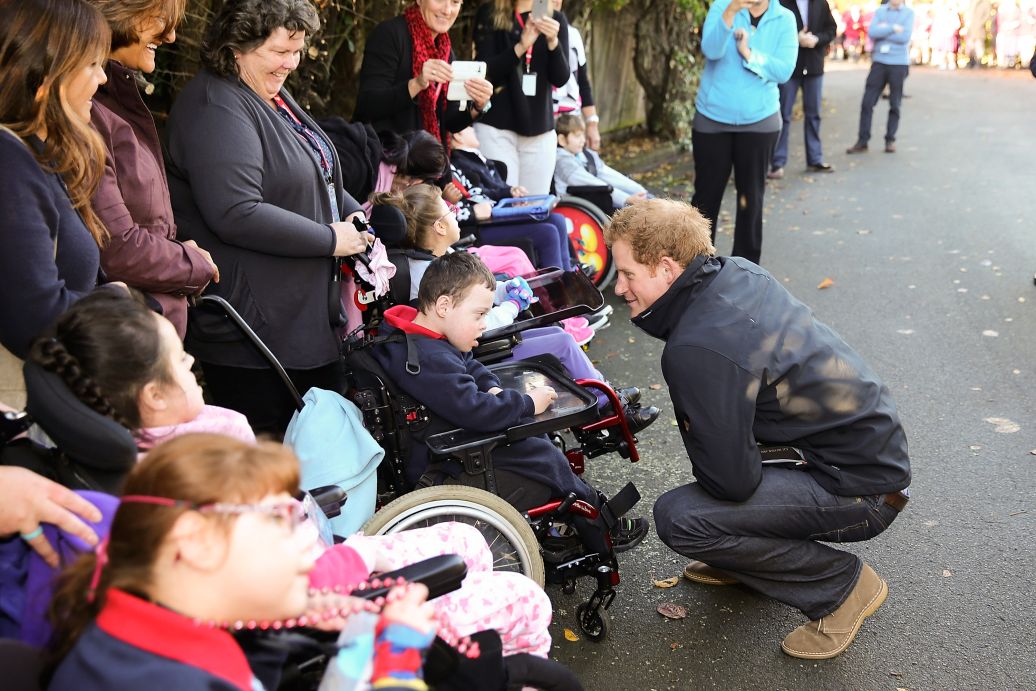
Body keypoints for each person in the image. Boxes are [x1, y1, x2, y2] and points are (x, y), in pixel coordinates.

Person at [28, 288, 557, 661]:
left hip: (317, 556)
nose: (192, 363)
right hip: (315, 605)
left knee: (468, 539)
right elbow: (270, 586)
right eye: (179, 360)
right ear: (154, 396)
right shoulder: (189, 470)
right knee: (524, 597)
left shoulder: (175, 440)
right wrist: (351, 563)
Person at [605, 199, 911, 660]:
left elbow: (731, 480)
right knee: (715, 501)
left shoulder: (695, 347)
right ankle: (747, 560)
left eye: (627, 273)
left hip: (861, 491)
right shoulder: (736, 273)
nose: (619, 287)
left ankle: (842, 588)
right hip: (867, 451)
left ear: (667, 268)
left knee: (682, 517)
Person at [46, 434, 438, 689]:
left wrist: (266, 620)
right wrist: (398, 661)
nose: (306, 548)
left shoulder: (130, 641)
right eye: (280, 519)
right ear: (197, 541)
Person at [165, 0, 372, 436]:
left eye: (297, 51)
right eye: (280, 52)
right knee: (274, 465)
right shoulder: (215, 106)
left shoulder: (266, 92)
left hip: (300, 321)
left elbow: (316, 171)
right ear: (236, 47)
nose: (291, 64)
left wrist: (357, 214)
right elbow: (236, 211)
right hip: (255, 334)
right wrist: (329, 239)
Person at [370, 252, 649, 550]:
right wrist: (527, 403)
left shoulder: (421, 332)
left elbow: (470, 364)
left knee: (536, 436)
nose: (483, 324)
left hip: (445, 433)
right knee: (544, 455)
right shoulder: (429, 359)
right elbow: (475, 411)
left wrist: (493, 389)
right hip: (445, 459)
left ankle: (573, 518)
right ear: (443, 305)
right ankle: (598, 526)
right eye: (478, 315)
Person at [371, 185, 658, 430]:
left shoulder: (436, 259)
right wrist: (510, 306)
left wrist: (507, 289)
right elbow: (475, 321)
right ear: (439, 226)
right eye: (449, 210)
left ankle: (604, 396)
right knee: (560, 341)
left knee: (554, 333)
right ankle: (608, 407)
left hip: (467, 346)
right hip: (472, 348)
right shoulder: (427, 272)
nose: (455, 211)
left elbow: (475, 298)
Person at [86, 0, 219, 340]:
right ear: (116, 13)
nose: (171, 37)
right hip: (126, 341)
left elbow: (143, 226)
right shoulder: (91, 113)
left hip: (149, 332)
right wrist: (192, 262)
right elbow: (115, 249)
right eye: (160, 19)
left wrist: (176, 252)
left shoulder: (117, 101)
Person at [0, 0, 110, 407]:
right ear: (46, 74)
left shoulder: (36, 156)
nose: (102, 78)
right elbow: (32, 317)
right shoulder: (8, 162)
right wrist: (121, 305)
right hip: (22, 418)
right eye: (92, 64)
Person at [690, 0, 797, 265]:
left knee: (751, 197)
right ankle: (694, 267)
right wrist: (730, 12)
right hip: (712, 118)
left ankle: (744, 271)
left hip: (760, 121)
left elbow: (783, 70)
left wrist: (749, 53)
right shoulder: (722, 7)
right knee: (705, 196)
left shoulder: (784, 18)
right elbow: (711, 50)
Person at [353, 0, 493, 149]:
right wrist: (416, 84)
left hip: (425, 162)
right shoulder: (389, 34)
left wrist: (478, 106)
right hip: (385, 155)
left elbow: (450, 121)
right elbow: (367, 106)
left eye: (455, 2)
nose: (447, 10)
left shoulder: (445, 50)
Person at [447, 126, 577, 274]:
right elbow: (479, 195)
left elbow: (494, 189)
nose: (473, 128)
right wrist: (506, 194)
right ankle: (558, 288)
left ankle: (568, 277)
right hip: (478, 227)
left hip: (493, 216)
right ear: (457, 135)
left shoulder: (475, 158)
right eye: (468, 127)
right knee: (547, 232)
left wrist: (510, 193)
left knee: (557, 219)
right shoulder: (459, 163)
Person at [474, 0, 571, 194]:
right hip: (496, 129)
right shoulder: (490, 14)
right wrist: (521, 46)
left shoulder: (556, 18)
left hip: (539, 131)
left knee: (534, 208)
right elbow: (485, 71)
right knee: (503, 205)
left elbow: (560, 78)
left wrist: (553, 41)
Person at [768, 0, 838, 179]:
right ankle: (777, 163)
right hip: (789, 67)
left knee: (814, 114)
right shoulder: (781, 3)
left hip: (814, 66)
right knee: (783, 114)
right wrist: (795, 38)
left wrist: (816, 40)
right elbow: (772, 32)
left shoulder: (820, 3)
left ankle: (815, 159)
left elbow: (831, 29)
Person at [846, 0, 915, 154]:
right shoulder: (880, 11)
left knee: (895, 103)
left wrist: (884, 30)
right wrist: (893, 28)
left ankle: (890, 139)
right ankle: (862, 140)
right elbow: (872, 32)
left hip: (898, 63)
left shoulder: (909, 13)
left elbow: (904, 37)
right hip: (879, 62)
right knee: (867, 102)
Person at [554, 113, 651, 210]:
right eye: (577, 136)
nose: (583, 140)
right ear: (562, 140)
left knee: (648, 199)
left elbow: (608, 174)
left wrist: (640, 191)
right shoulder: (563, 163)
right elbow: (593, 184)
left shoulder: (584, 154)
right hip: (576, 209)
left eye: (583, 135)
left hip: (595, 201)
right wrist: (626, 199)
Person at [550, 0, 601, 150]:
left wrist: (592, 123)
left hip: (571, 123)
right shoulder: (526, 32)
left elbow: (582, 82)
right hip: (542, 122)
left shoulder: (572, 34)